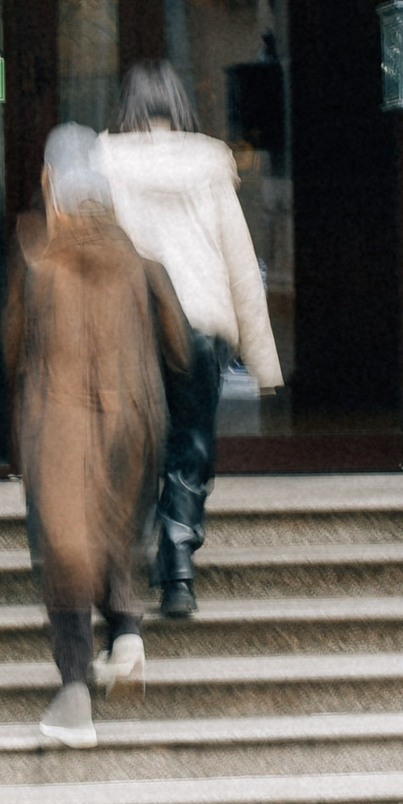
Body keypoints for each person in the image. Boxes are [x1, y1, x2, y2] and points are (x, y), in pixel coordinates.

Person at [4, 125, 187, 748]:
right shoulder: (139, 258)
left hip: (57, 424)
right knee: (111, 533)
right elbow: (181, 346)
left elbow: (10, 347)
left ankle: (75, 692)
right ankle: (129, 636)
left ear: (53, 187)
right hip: (134, 420)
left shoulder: (38, 259)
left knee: (64, 551)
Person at [97, 60, 282, 619]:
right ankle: (178, 568)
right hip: (199, 322)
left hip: (129, 320)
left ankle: (118, 567)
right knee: (191, 443)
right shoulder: (208, 163)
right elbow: (240, 264)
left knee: (126, 443)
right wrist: (262, 359)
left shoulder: (103, 162)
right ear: (179, 103)